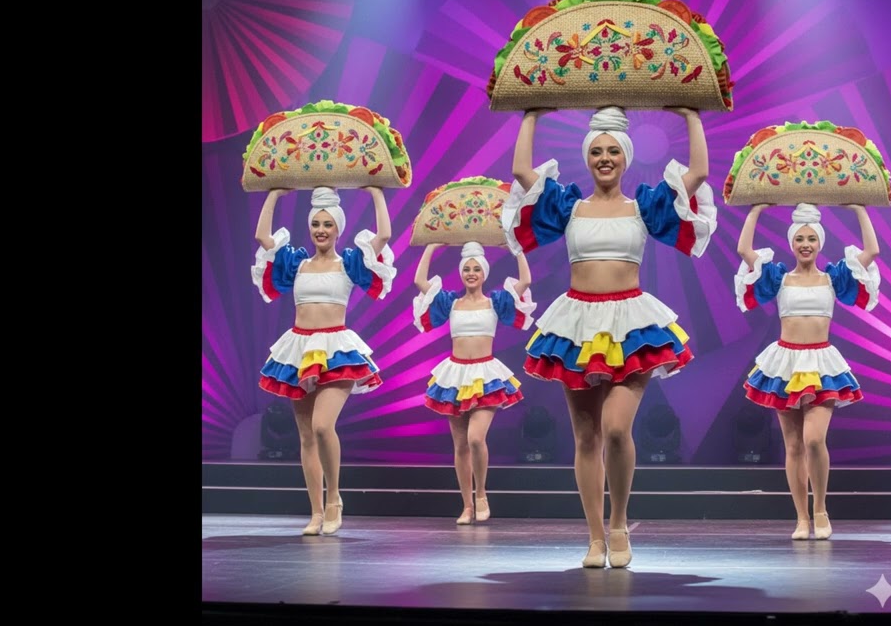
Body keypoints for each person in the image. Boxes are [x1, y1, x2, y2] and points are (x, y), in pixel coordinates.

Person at [503, 105, 716, 568]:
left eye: (613, 151)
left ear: (626, 158)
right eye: (597, 151)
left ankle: (619, 523)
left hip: (630, 325)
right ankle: (595, 537)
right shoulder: (568, 206)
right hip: (577, 325)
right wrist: (532, 115)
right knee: (586, 437)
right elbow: (521, 171)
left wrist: (690, 114)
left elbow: (698, 173)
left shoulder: (643, 206)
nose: (605, 158)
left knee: (617, 429)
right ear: (587, 157)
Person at [251, 185, 396, 536]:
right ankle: (316, 511)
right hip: (300, 350)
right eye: (316, 223)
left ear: (338, 228)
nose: (321, 230)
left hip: (336, 350)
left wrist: (376, 193)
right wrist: (275, 194)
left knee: (321, 426)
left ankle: (334, 500)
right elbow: (262, 237)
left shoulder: (349, 263)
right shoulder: (296, 262)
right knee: (305, 436)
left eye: (327, 224)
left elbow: (384, 236)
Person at [734, 202, 880, 540]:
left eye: (811, 239)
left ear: (820, 243)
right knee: (793, 446)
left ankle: (820, 509)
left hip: (820, 364)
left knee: (814, 439)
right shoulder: (778, 277)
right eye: (799, 239)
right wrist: (756, 210)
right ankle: (801, 517)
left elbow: (872, 251)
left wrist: (858, 208)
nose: (805, 244)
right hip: (786, 365)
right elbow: (743, 250)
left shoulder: (834, 277)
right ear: (791, 242)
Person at [412, 241, 537, 524]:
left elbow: (526, 281)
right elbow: (420, 281)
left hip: (485, 376)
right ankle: (467, 505)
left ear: (484, 273)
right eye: (467, 269)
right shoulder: (450, 303)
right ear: (461, 273)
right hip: (455, 376)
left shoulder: (496, 302)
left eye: (476, 269)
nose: (471, 273)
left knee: (475, 438)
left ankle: (481, 494)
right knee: (460, 445)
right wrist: (431, 246)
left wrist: (516, 249)